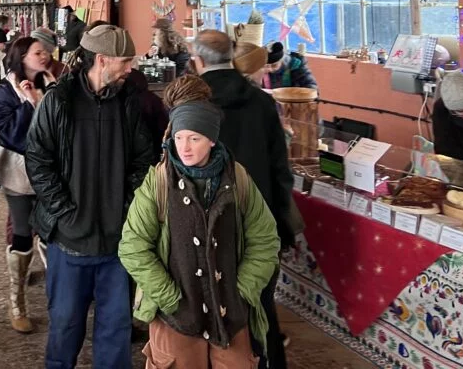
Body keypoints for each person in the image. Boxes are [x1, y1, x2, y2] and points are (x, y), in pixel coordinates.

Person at [26, 24, 156, 369]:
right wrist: (63, 210)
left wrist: (128, 205)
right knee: (66, 327)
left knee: (116, 330)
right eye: (125, 61)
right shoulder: (58, 102)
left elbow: (145, 160)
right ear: (102, 60)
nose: (131, 68)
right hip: (69, 242)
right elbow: (38, 160)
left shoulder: (130, 103)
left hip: (117, 244)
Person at [119, 92, 280, 369]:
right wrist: (169, 297)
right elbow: (133, 247)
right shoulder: (157, 183)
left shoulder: (238, 180)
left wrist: (241, 290)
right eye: (179, 137)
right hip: (176, 318)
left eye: (194, 138)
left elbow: (265, 240)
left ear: (212, 139)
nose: (185, 147)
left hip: (229, 317)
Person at [191, 30, 295, 369]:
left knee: (210, 308)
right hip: (259, 223)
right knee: (262, 307)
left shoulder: (192, 106)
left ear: (199, 61)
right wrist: (281, 225)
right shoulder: (262, 102)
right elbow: (281, 170)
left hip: (206, 226)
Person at [0, 37, 55, 334]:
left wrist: (53, 93)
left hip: (53, 172)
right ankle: (17, 302)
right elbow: (14, 136)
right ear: (21, 57)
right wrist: (29, 105)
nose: (45, 56)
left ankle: (60, 296)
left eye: (46, 51)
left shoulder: (52, 82)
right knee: (22, 232)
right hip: (19, 173)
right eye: (38, 52)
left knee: (55, 232)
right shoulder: (4, 92)